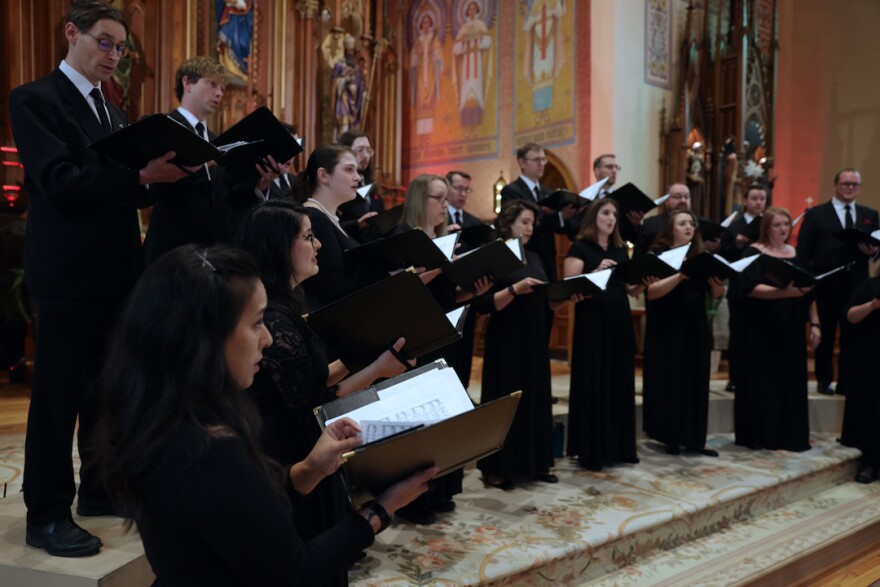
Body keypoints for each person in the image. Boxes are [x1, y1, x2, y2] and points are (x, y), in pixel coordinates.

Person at [93, 245, 436, 585]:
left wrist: (307, 471)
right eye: (256, 322)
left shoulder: (163, 415)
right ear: (207, 337)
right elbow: (293, 573)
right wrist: (381, 509)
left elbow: (238, 514)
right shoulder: (209, 448)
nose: (268, 339)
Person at [8, 0, 189, 556]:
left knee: (106, 393)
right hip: (66, 274)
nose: (115, 55)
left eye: (120, 47)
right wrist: (139, 176)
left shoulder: (113, 111)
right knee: (58, 398)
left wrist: (164, 175)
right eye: (105, 43)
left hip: (115, 273)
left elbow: (117, 186)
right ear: (73, 34)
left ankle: (99, 489)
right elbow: (59, 181)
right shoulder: (35, 98)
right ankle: (46, 512)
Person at [235, 202, 413, 585]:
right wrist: (379, 370)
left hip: (306, 442)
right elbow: (313, 404)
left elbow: (315, 377)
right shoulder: (274, 317)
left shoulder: (287, 304)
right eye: (308, 237)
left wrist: (369, 357)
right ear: (279, 246)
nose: (318, 246)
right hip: (286, 447)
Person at [389, 174, 492, 523]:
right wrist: (438, 264)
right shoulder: (404, 236)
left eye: (447, 199)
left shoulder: (445, 239)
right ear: (421, 199)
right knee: (420, 419)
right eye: (439, 198)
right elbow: (399, 288)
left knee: (448, 415)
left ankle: (441, 489)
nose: (446, 205)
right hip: (418, 339)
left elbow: (449, 295)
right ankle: (411, 500)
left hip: (448, 339)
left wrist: (473, 292)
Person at [143, 56, 278, 264]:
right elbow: (159, 185)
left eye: (222, 88)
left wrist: (260, 184)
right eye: (212, 84)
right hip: (172, 250)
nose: (220, 93)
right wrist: (205, 161)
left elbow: (228, 200)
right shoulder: (163, 126)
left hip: (213, 253)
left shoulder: (217, 141)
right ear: (187, 83)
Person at [478, 199, 568, 490]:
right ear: (509, 223)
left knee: (534, 398)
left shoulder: (535, 256)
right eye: (525, 222)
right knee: (504, 399)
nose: (530, 228)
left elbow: (547, 299)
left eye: (532, 223)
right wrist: (515, 289)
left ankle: (534, 464)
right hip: (506, 338)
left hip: (533, 338)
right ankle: (497, 468)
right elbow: (484, 304)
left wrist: (566, 296)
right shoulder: (495, 254)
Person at [564, 199, 646, 471]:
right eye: (606, 213)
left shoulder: (621, 249)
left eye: (614, 214)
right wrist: (595, 273)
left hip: (619, 321)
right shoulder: (580, 247)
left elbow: (628, 288)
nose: (611, 218)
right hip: (592, 322)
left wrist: (641, 283)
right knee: (594, 381)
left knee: (618, 381)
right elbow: (569, 288)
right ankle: (591, 451)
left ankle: (619, 447)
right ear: (593, 217)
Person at [732, 208, 818, 451]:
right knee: (764, 381)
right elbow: (749, 288)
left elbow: (810, 291)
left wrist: (816, 323)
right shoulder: (752, 252)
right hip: (761, 327)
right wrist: (785, 293)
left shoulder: (794, 253)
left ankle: (787, 435)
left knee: (789, 380)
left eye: (786, 224)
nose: (782, 229)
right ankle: (762, 434)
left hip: (790, 327)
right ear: (766, 228)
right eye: (777, 225)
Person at [642, 209, 724, 456]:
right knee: (672, 380)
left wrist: (717, 285)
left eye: (691, 223)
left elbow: (717, 295)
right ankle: (671, 437)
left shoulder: (702, 255)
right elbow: (652, 292)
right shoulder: (658, 255)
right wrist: (681, 275)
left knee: (696, 381)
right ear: (671, 229)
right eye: (682, 223)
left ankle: (696, 438)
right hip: (668, 326)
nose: (689, 227)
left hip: (695, 326)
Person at [796, 168, 879, 395]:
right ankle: (824, 380)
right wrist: (806, 280)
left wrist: (872, 251)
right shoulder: (816, 214)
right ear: (835, 186)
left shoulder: (870, 214)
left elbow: (876, 251)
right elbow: (804, 250)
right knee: (827, 332)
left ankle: (847, 380)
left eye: (854, 184)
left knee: (853, 335)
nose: (850, 188)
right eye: (846, 183)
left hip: (857, 285)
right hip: (826, 283)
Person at [292, 144, 369, 311]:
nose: (358, 178)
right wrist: (386, 277)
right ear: (324, 175)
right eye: (349, 170)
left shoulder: (328, 217)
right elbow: (331, 290)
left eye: (356, 171)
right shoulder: (315, 219)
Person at [500, 143, 574, 282]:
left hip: (548, 256)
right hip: (526, 255)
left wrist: (567, 215)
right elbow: (516, 224)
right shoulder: (511, 190)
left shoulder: (548, 192)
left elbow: (558, 227)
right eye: (536, 160)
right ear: (522, 162)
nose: (541, 164)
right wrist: (558, 216)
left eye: (543, 159)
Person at [719, 183, 768, 393]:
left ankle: (759, 375)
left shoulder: (769, 224)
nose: (758, 202)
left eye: (762, 199)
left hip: (765, 285)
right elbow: (723, 254)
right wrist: (738, 244)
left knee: (762, 333)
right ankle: (735, 376)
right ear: (745, 201)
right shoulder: (734, 226)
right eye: (754, 198)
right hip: (740, 287)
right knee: (738, 333)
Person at [841, 274, 880, 483]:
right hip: (872, 356)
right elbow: (851, 316)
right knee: (873, 411)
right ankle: (870, 464)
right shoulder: (871, 285)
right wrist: (873, 305)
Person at [634, 183, 722, 258]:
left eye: (686, 197)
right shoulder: (652, 224)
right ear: (666, 201)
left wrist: (714, 248)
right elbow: (639, 256)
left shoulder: (703, 223)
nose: (683, 200)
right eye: (677, 197)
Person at [569, 154, 641, 243]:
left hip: (615, 249)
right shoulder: (586, 196)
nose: (614, 171)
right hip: (590, 248)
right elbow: (572, 232)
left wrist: (635, 225)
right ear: (597, 171)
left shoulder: (621, 198)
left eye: (616, 168)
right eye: (609, 167)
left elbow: (631, 237)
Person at [336, 130, 385, 243]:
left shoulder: (372, 185)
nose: (365, 155)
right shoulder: (338, 187)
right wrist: (357, 223)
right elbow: (331, 224)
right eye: (360, 150)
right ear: (345, 152)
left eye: (368, 150)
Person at [452, 1, 492, 127]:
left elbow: (488, 41)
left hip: (477, 64)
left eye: (474, 9)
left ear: (478, 11)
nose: (472, 11)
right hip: (466, 67)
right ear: (467, 12)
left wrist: (479, 39)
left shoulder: (480, 25)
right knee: (466, 91)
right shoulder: (463, 29)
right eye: (470, 9)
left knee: (476, 89)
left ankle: (477, 119)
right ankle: (466, 121)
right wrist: (463, 42)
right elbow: (455, 49)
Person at [330, 33, 367, 139]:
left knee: (354, 131)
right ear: (345, 51)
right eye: (348, 51)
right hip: (343, 99)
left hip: (355, 102)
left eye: (352, 51)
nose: (350, 53)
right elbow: (334, 82)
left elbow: (360, 84)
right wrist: (343, 79)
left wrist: (364, 93)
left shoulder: (356, 68)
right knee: (343, 126)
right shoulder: (339, 65)